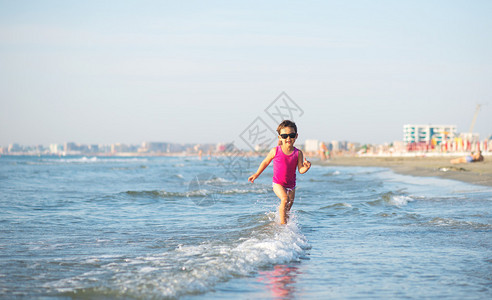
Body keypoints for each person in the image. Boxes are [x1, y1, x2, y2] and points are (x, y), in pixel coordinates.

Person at [248, 120, 311, 224]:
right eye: (285, 136)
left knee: (288, 207)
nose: (288, 138)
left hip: (291, 185)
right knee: (285, 198)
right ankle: (283, 226)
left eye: (291, 135)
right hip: (278, 183)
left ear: (296, 136)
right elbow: (265, 162)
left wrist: (306, 167)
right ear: (280, 137)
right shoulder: (275, 151)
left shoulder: (298, 153)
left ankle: (284, 222)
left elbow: (300, 170)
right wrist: (256, 174)